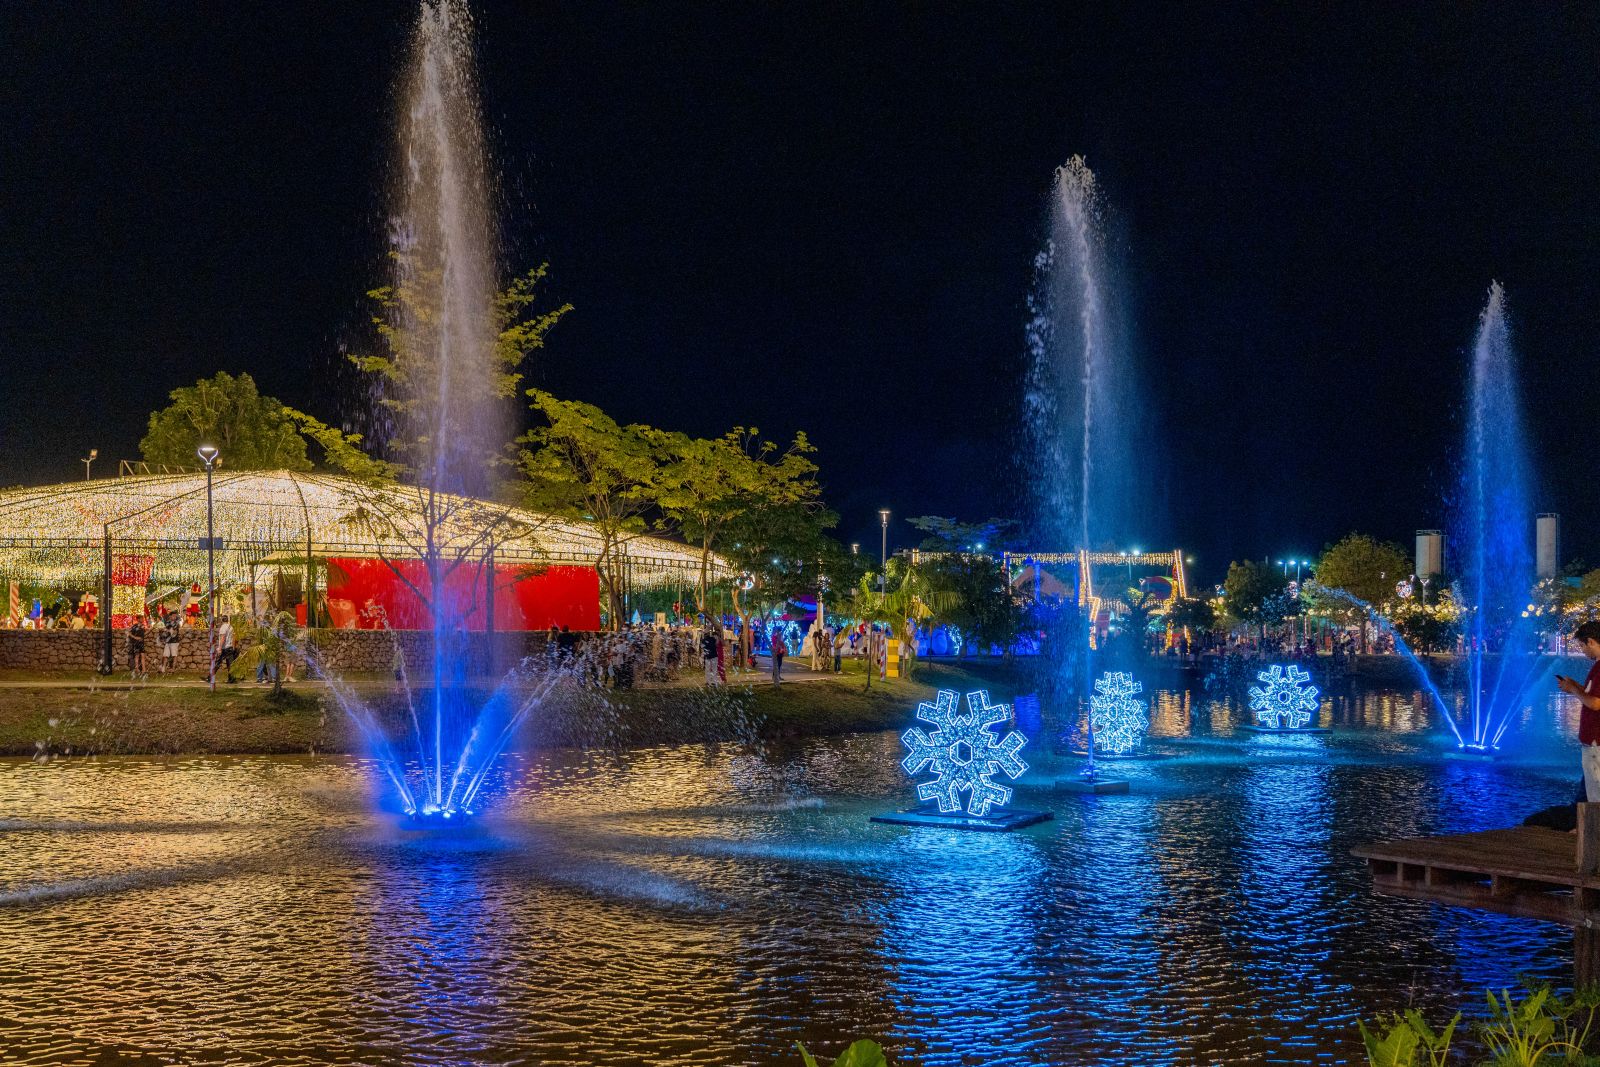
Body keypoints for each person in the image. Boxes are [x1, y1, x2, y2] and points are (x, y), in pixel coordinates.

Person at [1558, 620, 1600, 800]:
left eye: (1582, 646)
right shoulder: (1597, 667)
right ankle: (1579, 825)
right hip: (1593, 744)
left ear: (1591, 641)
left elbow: (1596, 704)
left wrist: (1574, 690)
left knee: (1595, 798)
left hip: (1596, 744)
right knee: (1586, 796)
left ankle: (1591, 828)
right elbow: (1592, 696)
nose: (1582, 651)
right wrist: (1576, 686)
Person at [212, 615, 238, 684]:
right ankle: (232, 679)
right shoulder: (230, 627)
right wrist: (233, 647)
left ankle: (210, 677)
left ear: (222, 620)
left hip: (224, 648)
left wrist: (219, 648)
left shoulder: (223, 628)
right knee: (230, 664)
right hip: (230, 647)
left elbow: (223, 638)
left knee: (218, 662)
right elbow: (233, 637)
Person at [127, 614, 148, 679]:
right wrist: (135, 637)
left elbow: (144, 634)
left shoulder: (142, 626)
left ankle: (144, 670)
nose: (142, 619)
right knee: (137, 656)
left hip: (142, 643)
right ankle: (137, 669)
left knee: (143, 656)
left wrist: (149, 630)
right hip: (136, 643)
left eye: (143, 618)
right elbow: (129, 633)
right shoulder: (134, 626)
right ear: (138, 619)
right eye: (141, 618)